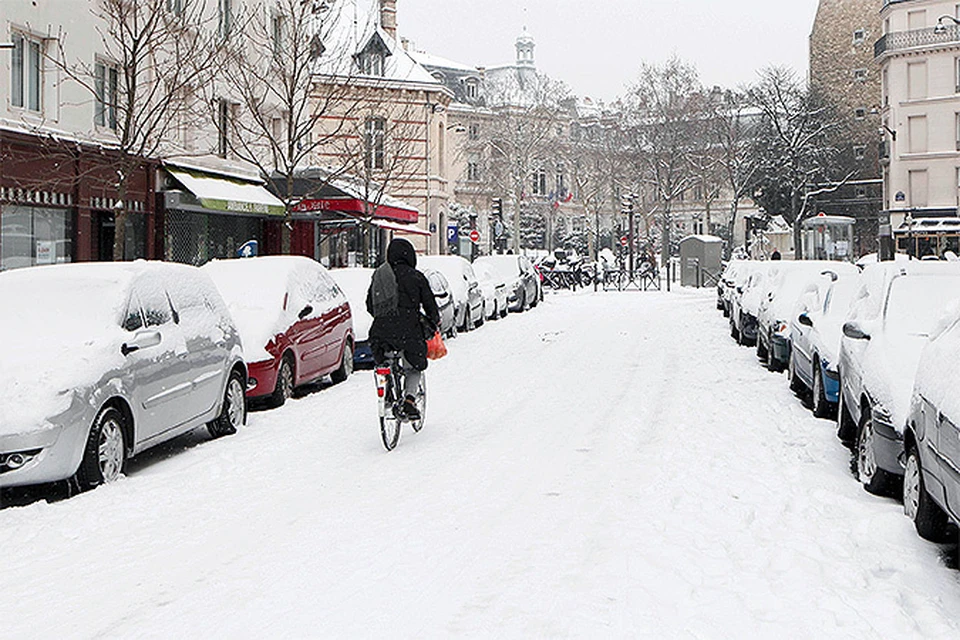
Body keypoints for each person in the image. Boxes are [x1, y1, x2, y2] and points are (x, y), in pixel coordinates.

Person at [366, 238, 440, 421]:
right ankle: (408, 401)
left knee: (385, 361)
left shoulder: (380, 275)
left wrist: (384, 316)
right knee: (413, 366)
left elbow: (370, 305)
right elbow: (430, 305)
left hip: (381, 331)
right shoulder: (416, 277)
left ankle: (388, 391)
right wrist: (433, 321)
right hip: (409, 331)